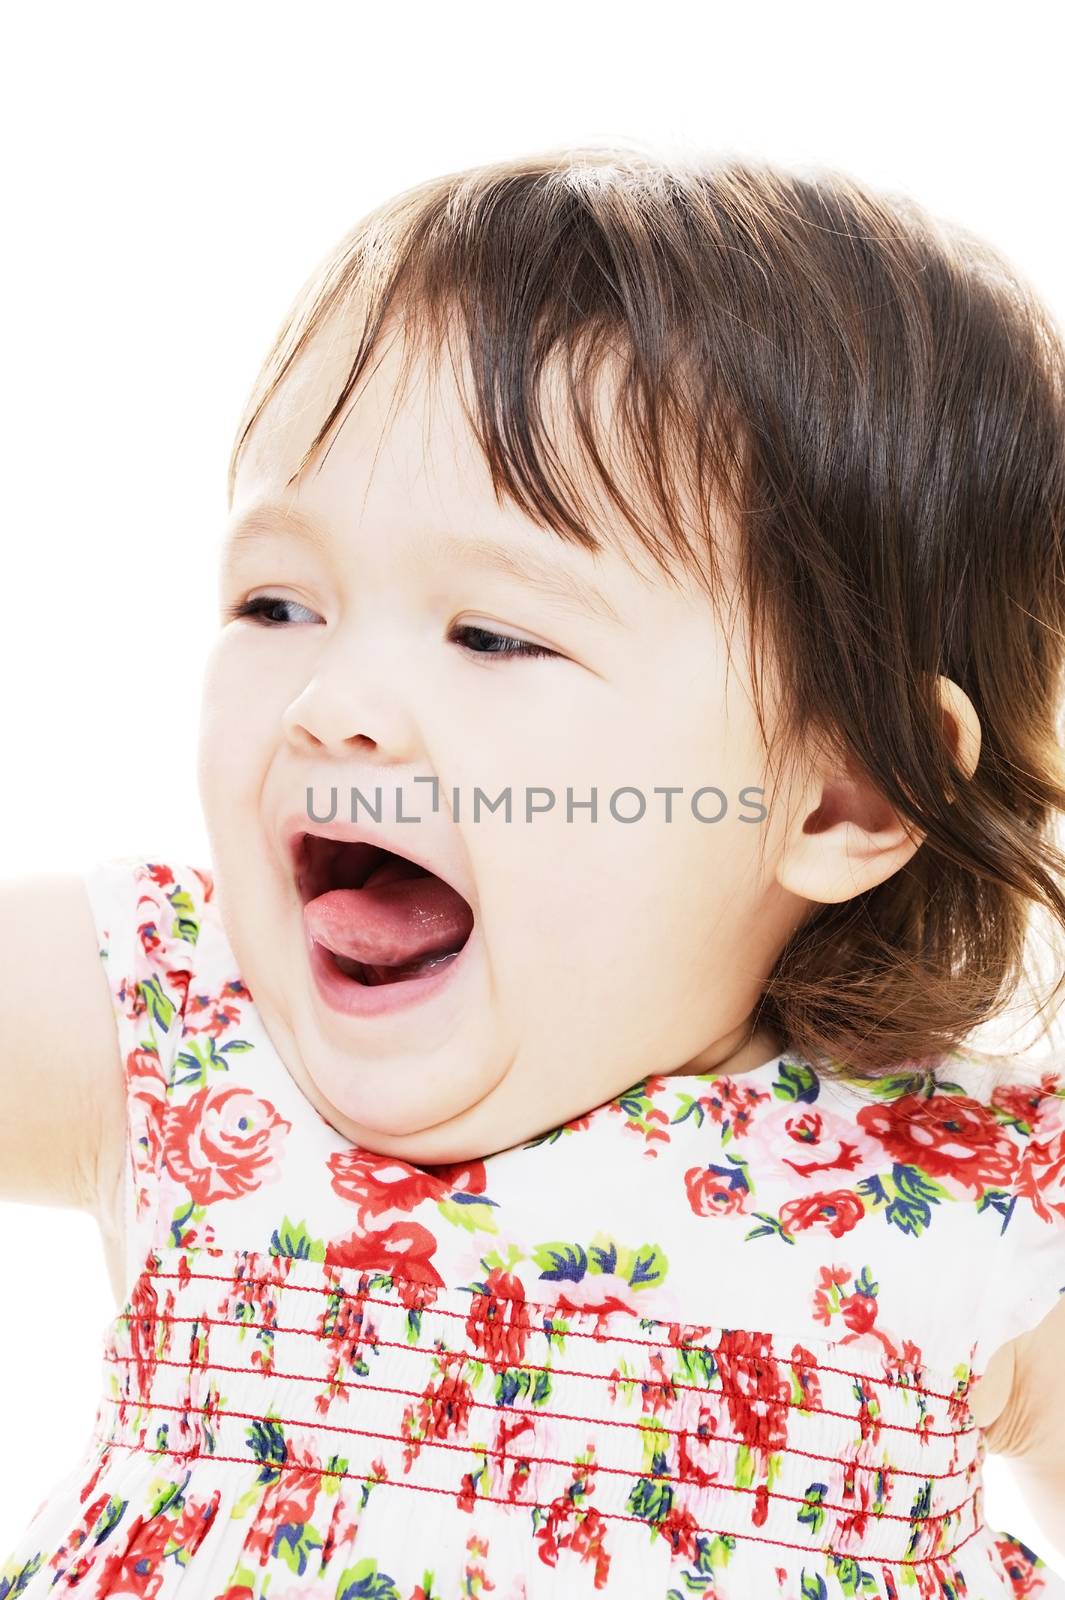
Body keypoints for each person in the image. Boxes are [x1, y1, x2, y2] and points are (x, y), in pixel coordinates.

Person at [3, 143, 1065, 1597]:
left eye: (491, 635)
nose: (334, 699)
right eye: (276, 601)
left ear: (841, 793)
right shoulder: (181, 1032)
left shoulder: (978, 1198)